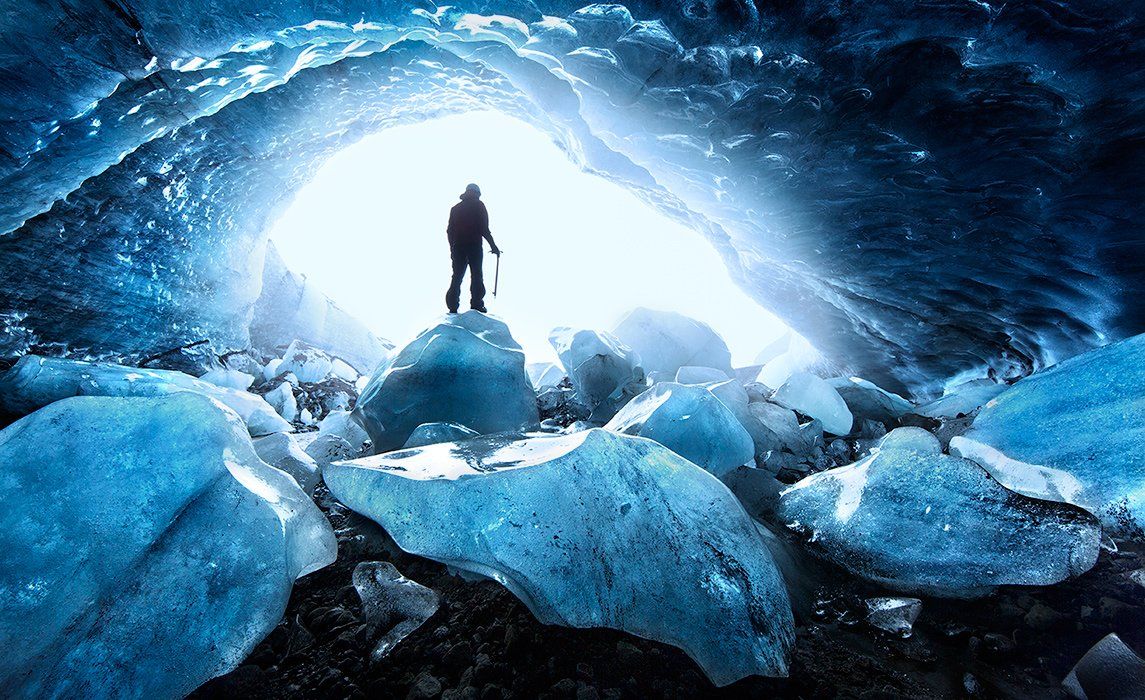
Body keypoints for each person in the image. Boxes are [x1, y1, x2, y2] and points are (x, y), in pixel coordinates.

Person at [445, 183, 500, 313]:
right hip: (474, 245)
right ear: (477, 193)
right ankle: (477, 304)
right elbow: (484, 229)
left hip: (458, 247)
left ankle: (453, 306)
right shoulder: (478, 205)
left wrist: (452, 248)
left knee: (457, 276)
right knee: (476, 275)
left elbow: (449, 231)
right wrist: (493, 246)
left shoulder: (455, 208)